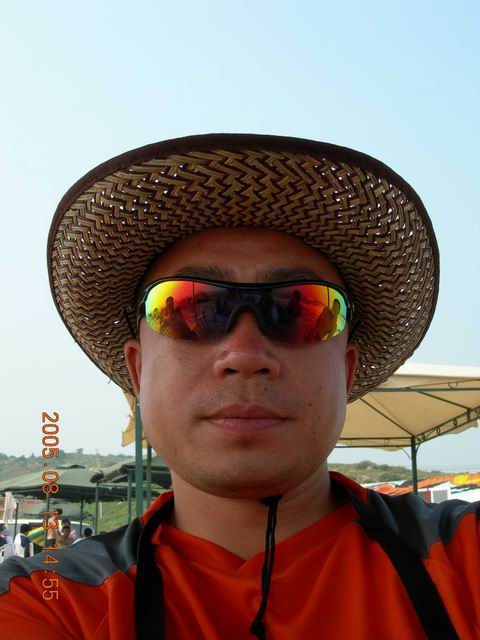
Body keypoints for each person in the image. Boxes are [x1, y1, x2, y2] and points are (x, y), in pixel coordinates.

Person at [0, 133, 478, 639]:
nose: (245, 355)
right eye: (191, 309)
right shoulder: (46, 602)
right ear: (138, 372)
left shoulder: (463, 557)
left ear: (346, 371)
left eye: (297, 310)